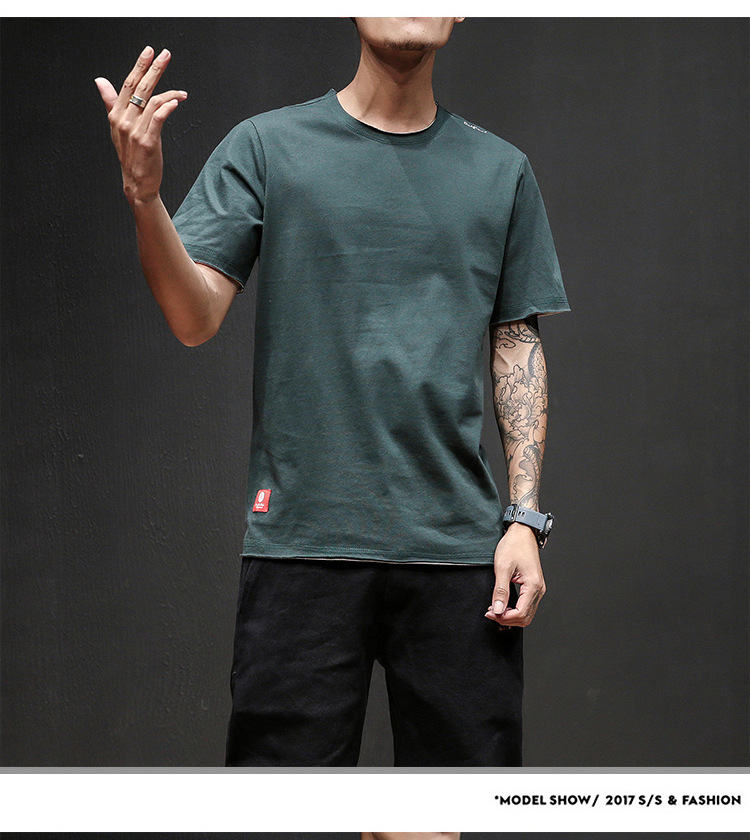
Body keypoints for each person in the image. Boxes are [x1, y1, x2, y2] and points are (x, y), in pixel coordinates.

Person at [95, 17, 569, 767]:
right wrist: (144, 197)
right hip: (302, 546)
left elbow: (518, 346)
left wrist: (524, 520)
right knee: (284, 813)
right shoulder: (267, 146)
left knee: (458, 813)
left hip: (459, 558)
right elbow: (192, 317)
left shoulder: (501, 171)